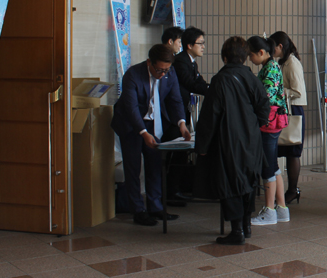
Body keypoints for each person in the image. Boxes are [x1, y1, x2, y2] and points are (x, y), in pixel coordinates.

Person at [194, 36, 271, 245]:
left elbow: (210, 115)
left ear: (225, 57)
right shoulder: (252, 78)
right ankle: (246, 226)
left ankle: (237, 230)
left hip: (227, 139)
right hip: (252, 138)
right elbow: (264, 106)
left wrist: (202, 145)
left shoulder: (220, 80)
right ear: (245, 57)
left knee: (229, 182)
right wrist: (253, 124)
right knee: (249, 181)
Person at [111, 44, 191, 226]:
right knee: (133, 167)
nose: (163, 74)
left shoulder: (170, 73)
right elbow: (131, 108)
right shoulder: (133, 74)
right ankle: (138, 210)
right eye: (159, 70)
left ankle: (156, 207)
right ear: (149, 63)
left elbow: (175, 99)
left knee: (155, 165)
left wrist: (182, 124)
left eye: (166, 70)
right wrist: (143, 133)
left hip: (154, 122)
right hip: (130, 124)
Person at [248, 36, 290, 226]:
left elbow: (266, 96)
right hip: (273, 122)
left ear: (261, 52)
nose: (250, 59)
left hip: (269, 122)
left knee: (268, 167)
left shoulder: (270, 68)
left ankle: (270, 211)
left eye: (251, 55)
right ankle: (281, 208)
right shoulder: (270, 66)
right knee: (273, 165)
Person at [170, 26, 211, 204]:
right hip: (175, 115)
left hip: (184, 112)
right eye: (200, 43)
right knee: (176, 153)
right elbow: (190, 83)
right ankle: (172, 191)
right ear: (189, 45)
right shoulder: (181, 61)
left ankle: (176, 189)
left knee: (181, 153)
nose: (203, 46)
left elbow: (199, 81)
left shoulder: (191, 61)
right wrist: (211, 91)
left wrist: (211, 88)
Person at [269, 31, 307, 205]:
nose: (271, 51)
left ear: (280, 46)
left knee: (292, 151)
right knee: (284, 149)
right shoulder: (283, 62)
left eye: (273, 47)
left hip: (294, 110)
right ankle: (288, 190)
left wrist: (277, 90)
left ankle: (292, 190)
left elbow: (298, 91)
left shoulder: (292, 63)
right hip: (287, 108)